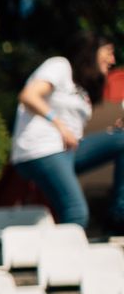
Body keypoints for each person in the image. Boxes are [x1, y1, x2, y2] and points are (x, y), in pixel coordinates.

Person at [10, 32, 122, 232]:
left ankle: (120, 213)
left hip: (67, 151)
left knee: (121, 139)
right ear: (93, 51)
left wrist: (109, 134)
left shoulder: (83, 89)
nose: (113, 60)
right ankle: (64, 260)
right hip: (41, 150)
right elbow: (28, 96)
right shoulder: (60, 65)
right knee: (77, 211)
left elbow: (75, 132)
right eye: (109, 52)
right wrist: (59, 124)